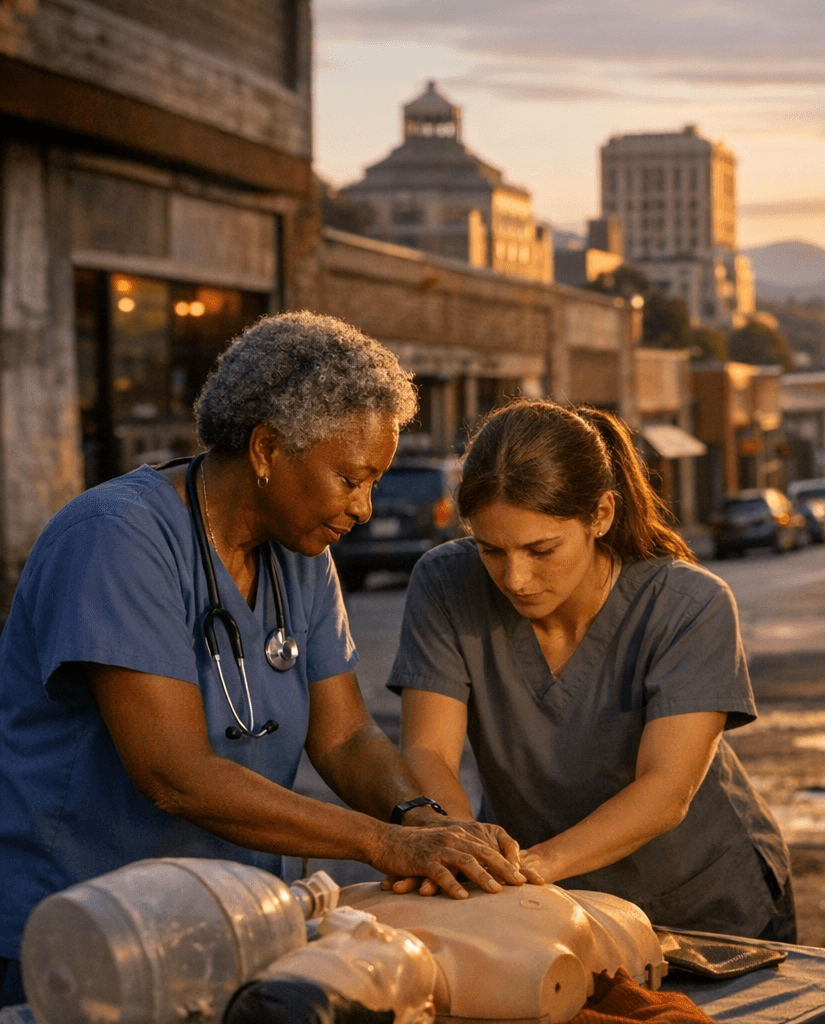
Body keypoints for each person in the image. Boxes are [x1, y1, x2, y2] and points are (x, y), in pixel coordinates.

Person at [0, 313, 523, 1008]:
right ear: (268, 448)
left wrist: (417, 817)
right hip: (84, 933)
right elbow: (174, 775)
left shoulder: (300, 553)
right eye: (351, 479)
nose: (365, 508)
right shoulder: (117, 539)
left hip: (227, 925)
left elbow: (345, 736)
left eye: (375, 483)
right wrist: (381, 844)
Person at [392, 399, 794, 941]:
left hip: (702, 906)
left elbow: (667, 787)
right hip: (546, 912)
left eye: (541, 550)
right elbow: (428, 751)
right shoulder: (445, 584)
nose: (514, 578)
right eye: (491, 550)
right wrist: (464, 845)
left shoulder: (690, 605)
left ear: (600, 515)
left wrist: (536, 867)